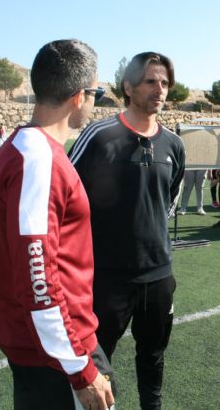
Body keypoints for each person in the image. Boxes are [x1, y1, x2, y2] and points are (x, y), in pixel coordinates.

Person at [0, 39, 114, 410]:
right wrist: (79, 368)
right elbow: (37, 275)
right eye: (97, 93)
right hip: (54, 354)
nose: (94, 103)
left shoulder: (19, 149)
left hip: (41, 346)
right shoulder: (39, 159)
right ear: (80, 96)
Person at [69, 51, 185, 410]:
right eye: (151, 81)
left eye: (165, 83)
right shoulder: (99, 135)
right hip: (107, 280)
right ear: (128, 86)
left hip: (158, 277)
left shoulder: (173, 145)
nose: (160, 89)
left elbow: (167, 201)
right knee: (97, 368)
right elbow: (66, 193)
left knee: (153, 360)